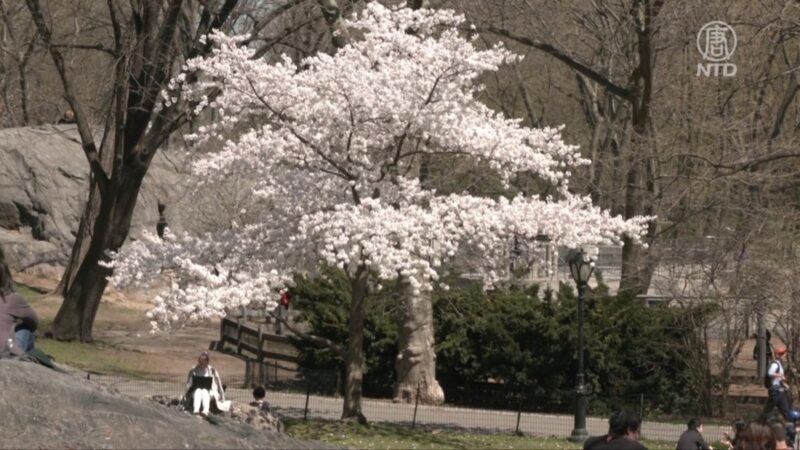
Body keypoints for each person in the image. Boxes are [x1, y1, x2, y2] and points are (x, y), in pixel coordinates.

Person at [0, 248, 38, 356]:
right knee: (26, 331)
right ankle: (28, 363)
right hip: (5, 351)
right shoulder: (13, 299)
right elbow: (34, 323)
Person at [184, 351, 230, 416]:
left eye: (204, 361)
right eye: (201, 361)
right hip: (196, 390)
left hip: (209, 391)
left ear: (207, 361)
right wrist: (185, 395)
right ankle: (196, 410)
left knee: (205, 391)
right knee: (198, 391)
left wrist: (222, 396)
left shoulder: (212, 370)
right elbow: (188, 383)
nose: (202, 363)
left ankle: (205, 411)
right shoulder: (194, 370)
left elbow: (219, 383)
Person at [763, 346, 792, 421]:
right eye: (783, 354)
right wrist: (780, 375)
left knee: (786, 410)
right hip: (775, 391)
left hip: (780, 391)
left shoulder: (779, 364)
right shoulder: (775, 364)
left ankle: (791, 426)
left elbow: (776, 379)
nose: (785, 356)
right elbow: (770, 373)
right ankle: (758, 424)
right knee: (768, 411)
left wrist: (784, 384)